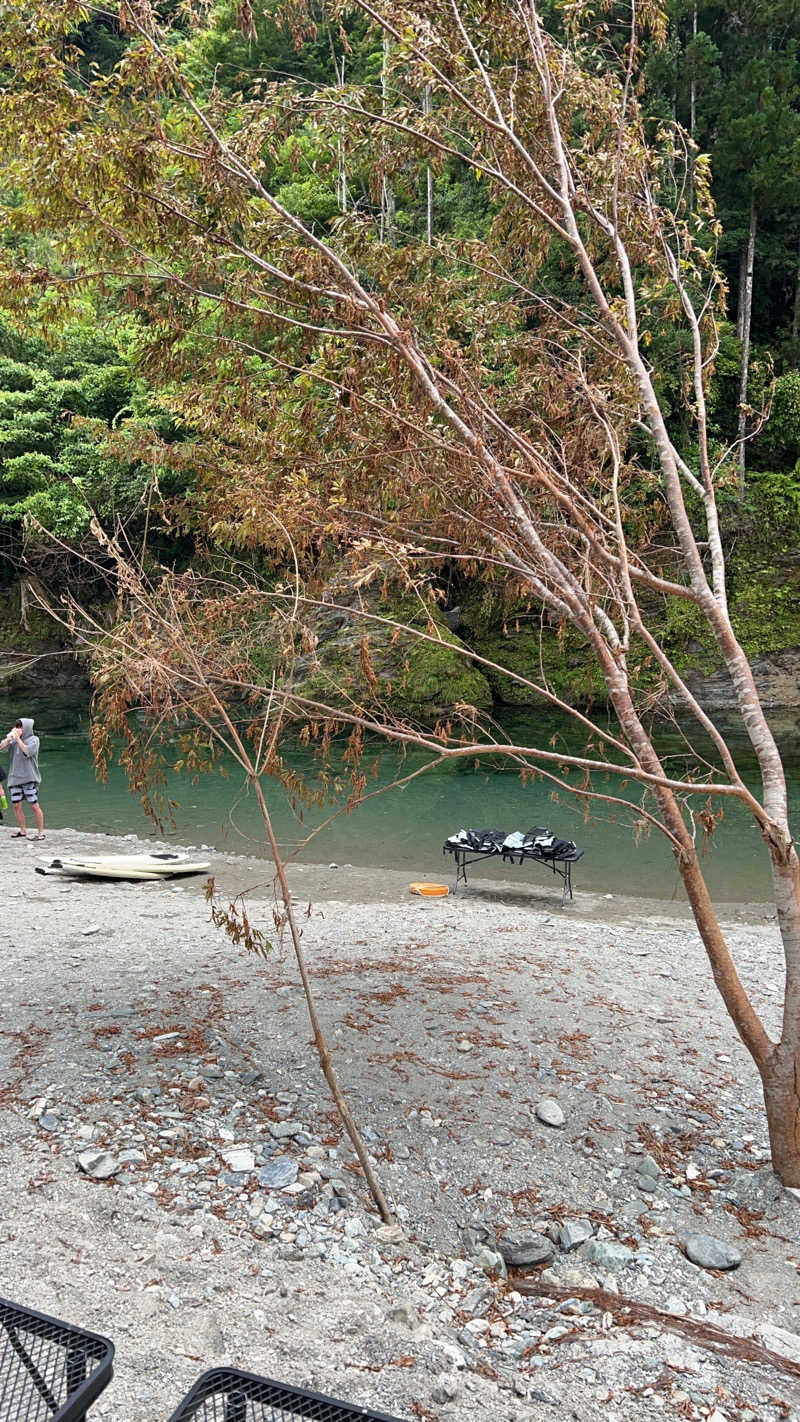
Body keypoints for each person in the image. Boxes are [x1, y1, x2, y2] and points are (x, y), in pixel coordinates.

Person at [0, 717, 44, 840]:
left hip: (29, 778)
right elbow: (1, 747)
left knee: (34, 805)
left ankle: (41, 833)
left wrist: (18, 738)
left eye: (21, 727)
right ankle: (23, 830)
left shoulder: (34, 740)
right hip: (15, 778)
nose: (19, 729)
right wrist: (10, 738)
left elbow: (27, 751)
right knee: (16, 805)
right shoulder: (13, 740)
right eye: (17, 727)